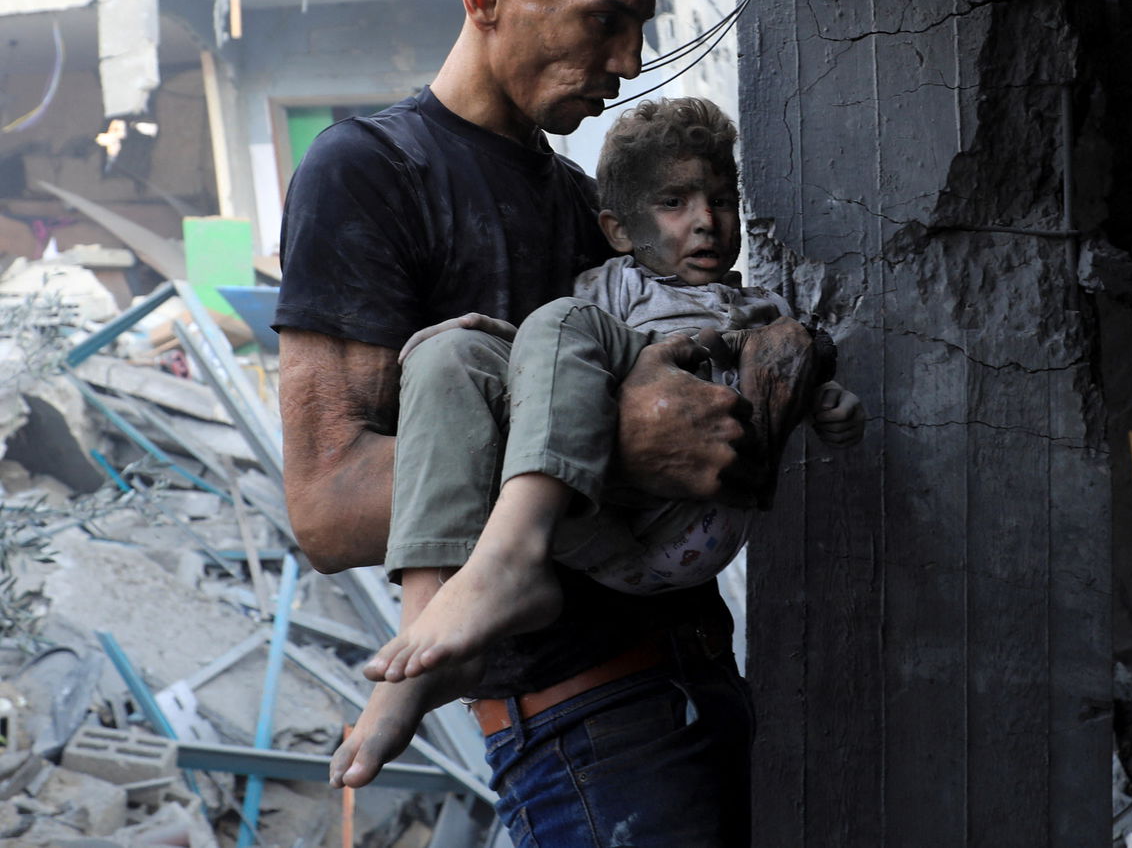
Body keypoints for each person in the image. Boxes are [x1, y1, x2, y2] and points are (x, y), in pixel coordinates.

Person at [275, 0, 771, 847]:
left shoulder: (587, 205)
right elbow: (327, 503)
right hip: (579, 718)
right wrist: (620, 445)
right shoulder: (370, 172)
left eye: (639, 26)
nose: (628, 61)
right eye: (603, 20)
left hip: (696, 676)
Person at [336, 96, 864, 788]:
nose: (706, 221)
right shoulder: (607, 293)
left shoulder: (757, 310)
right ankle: (436, 634)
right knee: (451, 356)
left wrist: (830, 405)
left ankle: (507, 565)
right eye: (675, 202)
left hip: (690, 527)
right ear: (617, 229)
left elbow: (787, 385)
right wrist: (475, 341)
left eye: (722, 199)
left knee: (558, 323)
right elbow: (550, 377)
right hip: (599, 535)